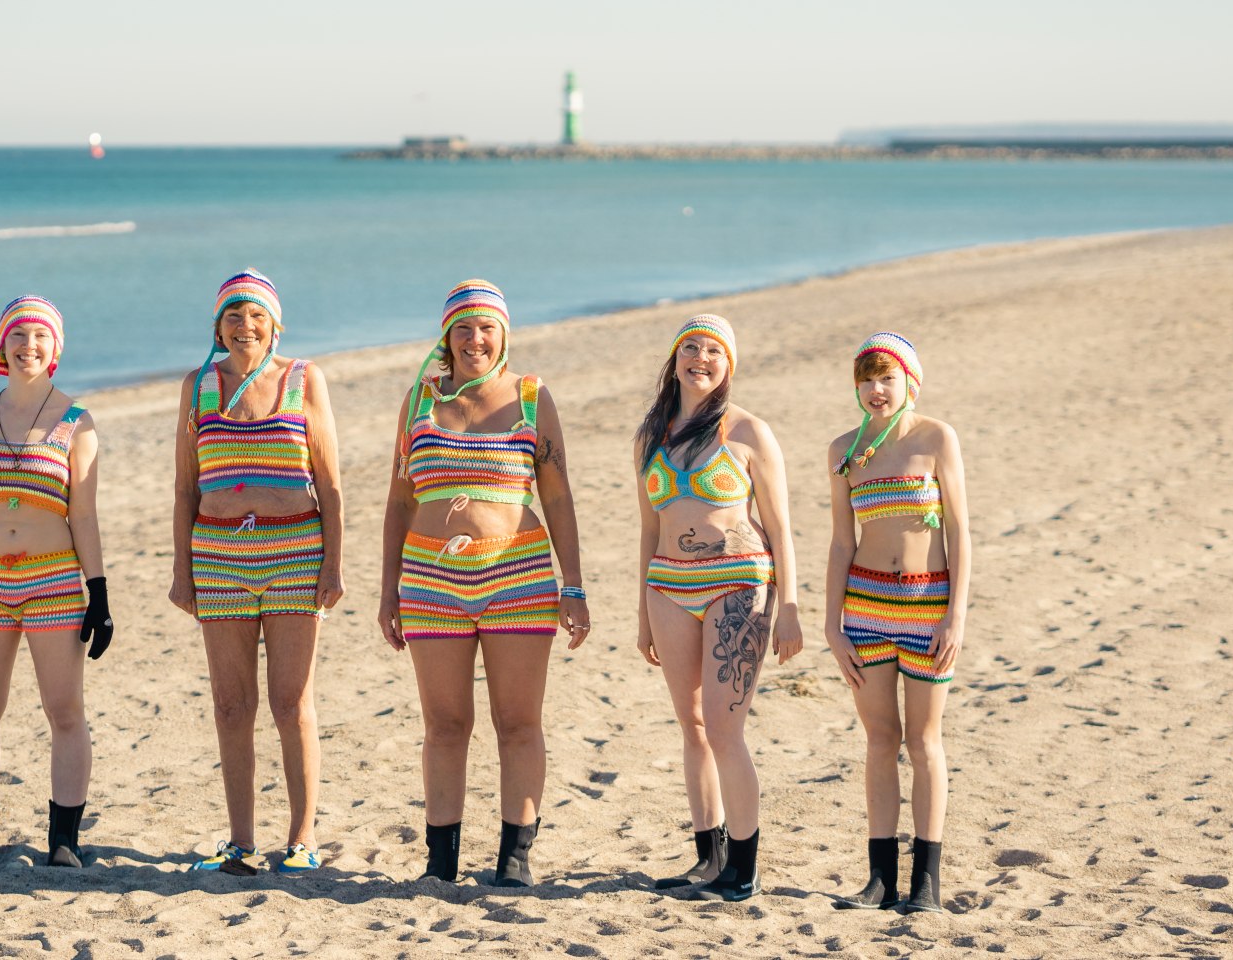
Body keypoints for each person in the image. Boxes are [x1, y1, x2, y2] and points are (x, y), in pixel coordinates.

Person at [377, 280, 589, 887]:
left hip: (517, 574)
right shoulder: (418, 399)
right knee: (444, 725)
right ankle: (439, 864)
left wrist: (572, 585)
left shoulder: (531, 397)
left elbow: (557, 493)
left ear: (504, 333)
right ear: (447, 335)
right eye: (463, 328)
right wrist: (388, 588)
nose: (475, 339)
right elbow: (398, 501)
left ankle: (514, 859)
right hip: (429, 578)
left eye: (486, 327)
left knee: (518, 721)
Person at [170, 270, 344, 875]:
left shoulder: (304, 379)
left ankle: (300, 840)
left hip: (297, 551)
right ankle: (240, 843)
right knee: (229, 705)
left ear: (276, 324)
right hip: (218, 556)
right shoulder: (198, 387)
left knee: (291, 702)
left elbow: (330, 482)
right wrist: (181, 571)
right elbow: (185, 487)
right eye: (234, 317)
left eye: (257, 317)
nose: (247, 327)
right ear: (217, 327)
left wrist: (334, 562)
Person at [0, 295, 111, 868]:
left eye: (40, 337)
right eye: (18, 336)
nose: (28, 346)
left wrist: (99, 591)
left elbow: (82, 514)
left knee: (64, 710)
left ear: (56, 349)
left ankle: (65, 840)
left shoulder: (77, 421)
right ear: (1, 346)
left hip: (54, 581)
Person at [633, 315, 802, 902]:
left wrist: (791, 606)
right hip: (668, 588)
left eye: (713, 351)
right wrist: (640, 611)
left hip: (739, 584)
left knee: (726, 730)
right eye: (691, 348)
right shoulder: (651, 435)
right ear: (675, 358)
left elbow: (781, 527)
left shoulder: (750, 431)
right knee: (693, 726)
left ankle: (745, 867)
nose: (700, 358)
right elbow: (647, 531)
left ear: (729, 365)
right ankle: (710, 857)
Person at [823, 332, 970, 914]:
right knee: (881, 740)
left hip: (928, 606)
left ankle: (926, 883)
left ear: (911, 381)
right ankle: (880, 880)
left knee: (925, 740)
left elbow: (959, 531)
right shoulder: (842, 450)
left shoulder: (936, 438)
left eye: (887, 378)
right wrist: (832, 625)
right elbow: (840, 543)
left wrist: (956, 615)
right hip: (865, 610)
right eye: (867, 379)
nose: (876, 390)